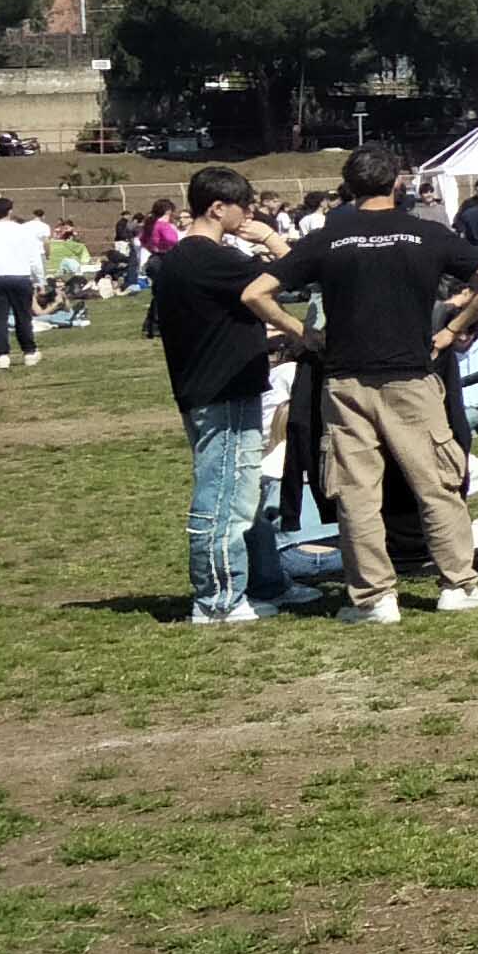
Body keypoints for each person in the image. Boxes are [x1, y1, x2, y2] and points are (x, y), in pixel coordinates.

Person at [270, 143, 478, 624]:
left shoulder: (329, 237)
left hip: (345, 381)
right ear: (397, 183)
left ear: (349, 186)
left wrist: (304, 333)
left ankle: (374, 599)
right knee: (437, 484)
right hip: (412, 376)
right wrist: (450, 328)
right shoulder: (426, 233)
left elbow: (257, 291)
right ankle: (457, 585)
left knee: (357, 493)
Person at [148, 167, 311, 625]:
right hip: (221, 394)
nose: (250, 215)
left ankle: (263, 582)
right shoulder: (210, 258)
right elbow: (289, 276)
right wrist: (272, 237)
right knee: (223, 499)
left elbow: (218, 323)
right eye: (245, 207)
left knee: (243, 493)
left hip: (211, 386)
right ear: (218, 208)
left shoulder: (182, 258)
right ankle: (217, 600)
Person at [0, 195, 44, 368]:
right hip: (20, 277)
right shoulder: (24, 231)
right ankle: (29, 352)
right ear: (10, 211)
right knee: (23, 316)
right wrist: (39, 280)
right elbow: (34, 258)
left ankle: (2, 355)